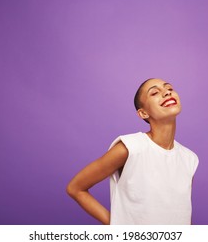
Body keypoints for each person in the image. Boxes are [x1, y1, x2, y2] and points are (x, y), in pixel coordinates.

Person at [66, 78, 199, 225]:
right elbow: (75, 188)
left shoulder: (189, 159)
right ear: (143, 113)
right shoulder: (130, 147)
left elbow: (182, 213)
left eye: (169, 88)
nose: (167, 93)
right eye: (155, 93)